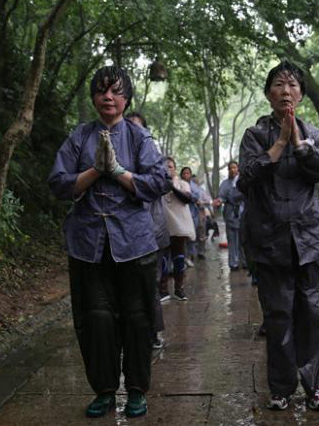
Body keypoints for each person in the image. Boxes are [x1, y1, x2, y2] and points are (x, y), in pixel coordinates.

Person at [48, 67, 170, 419]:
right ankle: (103, 390)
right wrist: (94, 171)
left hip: (134, 241)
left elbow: (159, 179)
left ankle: (135, 390)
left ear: (126, 99)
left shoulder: (138, 137)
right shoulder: (79, 137)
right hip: (88, 243)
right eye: (101, 91)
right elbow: (57, 182)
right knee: (96, 317)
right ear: (93, 98)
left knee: (137, 316)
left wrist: (118, 172)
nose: (108, 97)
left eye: (116, 92)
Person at [238, 61, 319, 412]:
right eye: (278, 85)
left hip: (307, 240)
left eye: (292, 85)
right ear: (268, 94)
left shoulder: (314, 134)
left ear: (302, 94)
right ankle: (280, 387)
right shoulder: (254, 135)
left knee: (310, 312)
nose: (285, 91)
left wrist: (300, 143)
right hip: (268, 239)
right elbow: (245, 179)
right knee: (278, 316)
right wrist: (279, 144)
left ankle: (315, 385)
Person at [125, 111, 168, 349]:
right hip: (124, 235)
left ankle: (153, 332)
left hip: (151, 232)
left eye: (137, 128)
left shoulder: (151, 157)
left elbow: (161, 184)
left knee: (150, 284)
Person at [160, 156, 196, 302]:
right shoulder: (157, 185)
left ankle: (179, 289)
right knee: (163, 259)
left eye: (171, 166)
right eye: (165, 166)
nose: (168, 168)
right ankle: (163, 290)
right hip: (162, 227)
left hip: (179, 227)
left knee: (178, 258)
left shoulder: (182, 184)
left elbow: (187, 199)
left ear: (175, 169)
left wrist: (173, 187)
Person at [215, 161, 246, 271]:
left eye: (234, 167)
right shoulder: (225, 183)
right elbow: (221, 197)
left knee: (244, 239)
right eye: (230, 168)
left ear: (238, 168)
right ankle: (234, 264)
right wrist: (218, 201)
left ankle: (245, 262)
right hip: (231, 214)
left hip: (243, 213)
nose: (233, 170)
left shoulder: (244, 181)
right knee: (232, 239)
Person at [180, 166, 201, 267]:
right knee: (182, 237)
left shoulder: (194, 186)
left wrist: (187, 195)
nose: (186, 175)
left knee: (191, 237)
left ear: (191, 175)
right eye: (184, 173)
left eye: (188, 173)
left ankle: (190, 257)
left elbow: (196, 197)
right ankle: (183, 258)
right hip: (181, 215)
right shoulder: (178, 184)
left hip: (193, 215)